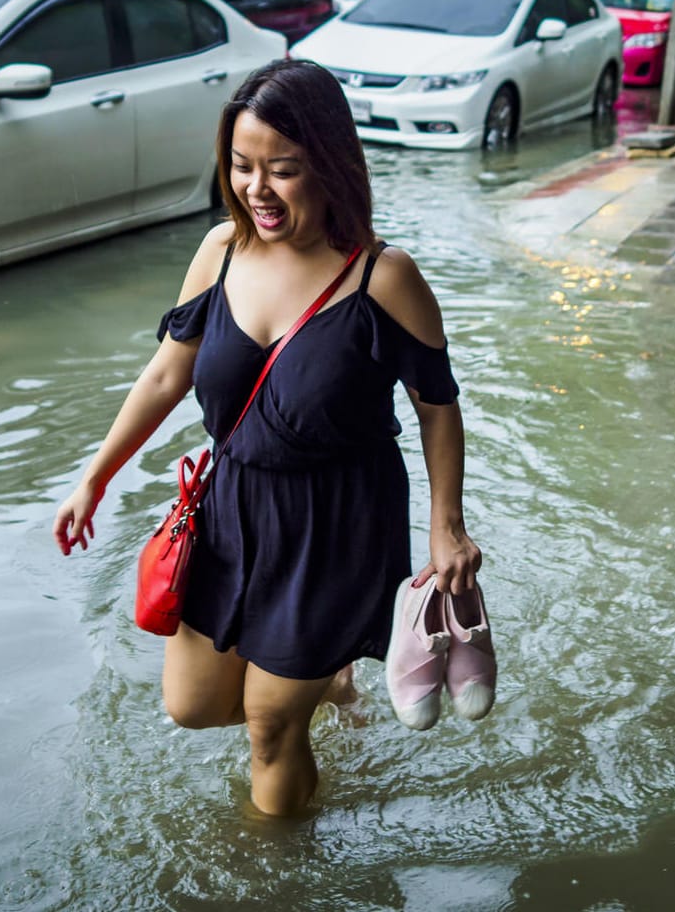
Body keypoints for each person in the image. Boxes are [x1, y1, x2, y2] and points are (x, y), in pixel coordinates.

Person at [53, 59, 482, 817]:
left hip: (337, 523)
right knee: (191, 706)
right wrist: (96, 475)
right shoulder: (221, 251)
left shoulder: (384, 278)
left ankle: (271, 868)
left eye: (282, 170)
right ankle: (325, 680)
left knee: (267, 727)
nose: (257, 189)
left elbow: (437, 405)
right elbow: (165, 377)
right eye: (242, 167)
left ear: (330, 165)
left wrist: (445, 528)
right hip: (232, 510)